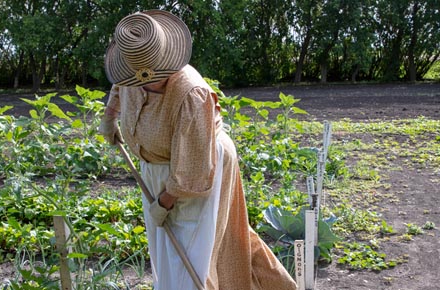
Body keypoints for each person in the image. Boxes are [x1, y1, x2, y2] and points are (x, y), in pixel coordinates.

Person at [98, 10, 297, 290]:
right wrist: (109, 119)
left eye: (148, 76)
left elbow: (191, 172)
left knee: (193, 254)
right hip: (159, 170)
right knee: (168, 251)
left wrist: (164, 202)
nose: (138, 82)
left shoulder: (191, 94)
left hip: (200, 168)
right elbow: (119, 87)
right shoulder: (132, 70)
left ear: (166, 61)